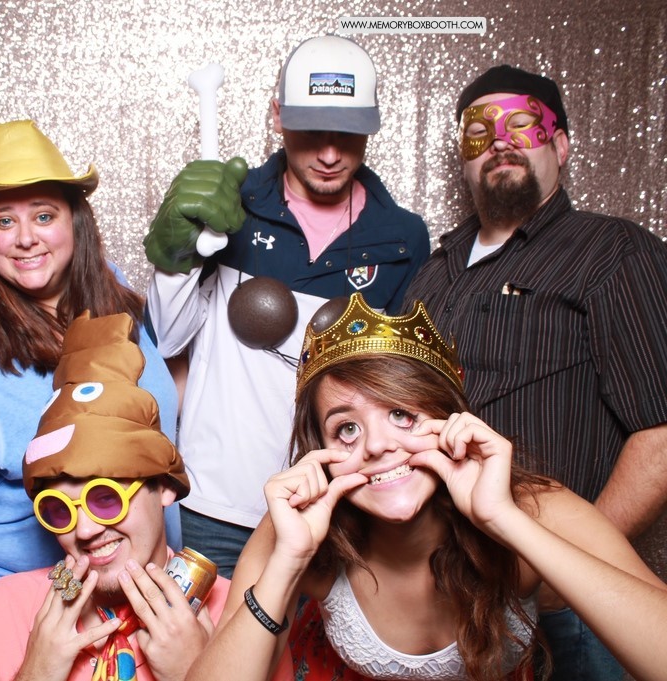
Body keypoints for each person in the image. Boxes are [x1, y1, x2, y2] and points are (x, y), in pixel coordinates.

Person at [186, 293, 667, 681]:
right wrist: (288, 562)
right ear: (322, 452)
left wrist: (503, 520)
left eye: (401, 414)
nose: (377, 445)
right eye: (346, 428)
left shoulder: (533, 506)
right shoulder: (299, 525)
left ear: (451, 419)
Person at [0, 120, 180, 679]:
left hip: (116, 610)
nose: (25, 238)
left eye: (43, 215)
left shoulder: (110, 300)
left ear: (75, 220)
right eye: (3, 220)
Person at [402, 64, 667, 679]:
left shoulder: (613, 251)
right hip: (453, 593)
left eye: (522, 124)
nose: (500, 141)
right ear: (464, 157)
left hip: (568, 605)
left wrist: (561, 573)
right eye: (479, 131)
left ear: (561, 145)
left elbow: (658, 435)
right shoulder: (433, 274)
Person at [143, 35, 430, 577]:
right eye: (311, 130)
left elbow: (396, 387)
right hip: (215, 505)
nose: (329, 154)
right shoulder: (230, 206)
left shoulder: (401, 238)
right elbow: (169, 338)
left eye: (347, 133)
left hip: (332, 511)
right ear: (277, 115)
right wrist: (175, 253)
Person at [0, 311, 243, 681]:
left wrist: (197, 674)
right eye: (58, 510)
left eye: (105, 498)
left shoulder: (240, 620)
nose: (85, 530)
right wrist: (35, 673)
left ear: (165, 485)